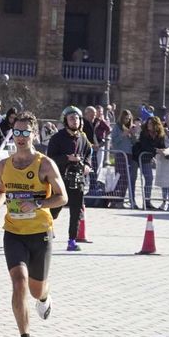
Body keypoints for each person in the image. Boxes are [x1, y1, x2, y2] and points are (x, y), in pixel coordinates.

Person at [0, 114, 68, 337]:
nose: (20, 138)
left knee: (35, 290)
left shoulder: (45, 164)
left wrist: (37, 202)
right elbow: (0, 189)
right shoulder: (4, 165)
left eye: (25, 133)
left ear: (34, 135)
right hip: (13, 232)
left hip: (40, 231)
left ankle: (45, 296)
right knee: (19, 281)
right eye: (17, 133)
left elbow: (62, 197)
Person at [45, 107, 93, 252]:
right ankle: (47, 228)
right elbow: (50, 158)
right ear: (65, 120)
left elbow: (88, 154)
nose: (75, 121)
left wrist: (87, 165)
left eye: (77, 118)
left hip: (78, 180)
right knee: (55, 208)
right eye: (71, 118)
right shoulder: (57, 138)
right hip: (60, 179)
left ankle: (72, 241)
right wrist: (67, 158)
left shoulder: (83, 138)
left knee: (77, 211)